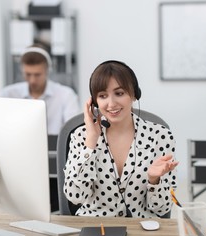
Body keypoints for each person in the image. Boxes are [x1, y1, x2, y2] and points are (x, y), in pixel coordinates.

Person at [63, 60, 178, 218]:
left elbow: (163, 208)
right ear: (94, 102)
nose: (111, 104)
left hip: (142, 230)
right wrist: (90, 142)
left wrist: (154, 180)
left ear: (134, 94)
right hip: (94, 227)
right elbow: (75, 197)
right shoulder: (81, 136)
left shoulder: (159, 136)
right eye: (103, 96)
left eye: (119, 93)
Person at [1, 44, 80, 135]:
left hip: (54, 148)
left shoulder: (66, 95)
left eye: (37, 75)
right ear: (22, 71)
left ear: (48, 71)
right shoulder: (7, 94)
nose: (32, 80)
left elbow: (74, 131)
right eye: (28, 74)